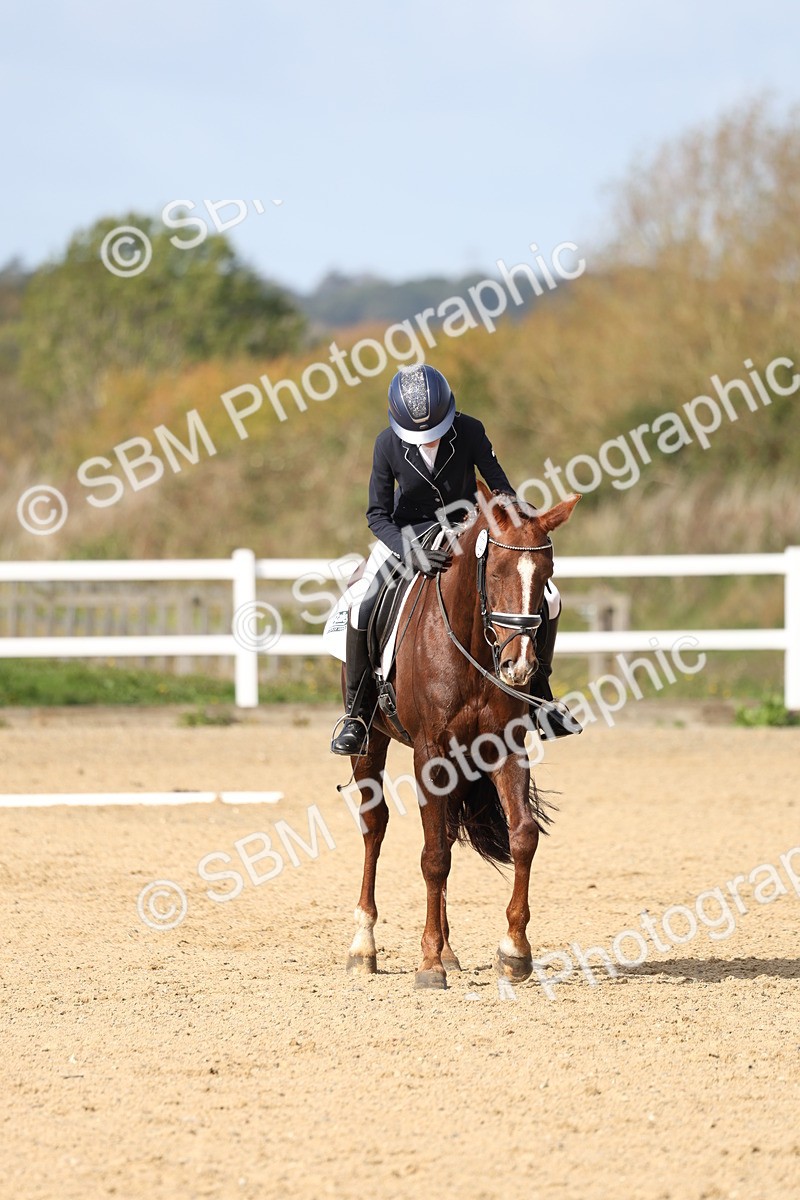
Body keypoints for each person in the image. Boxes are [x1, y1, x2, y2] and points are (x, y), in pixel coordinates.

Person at [330, 363, 578, 755]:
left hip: (467, 526)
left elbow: (499, 486)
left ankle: (540, 697)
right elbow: (377, 514)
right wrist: (408, 549)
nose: (427, 442)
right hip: (407, 534)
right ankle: (357, 716)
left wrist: (515, 521)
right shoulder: (387, 444)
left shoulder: (470, 430)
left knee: (549, 598)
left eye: (434, 432)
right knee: (362, 604)